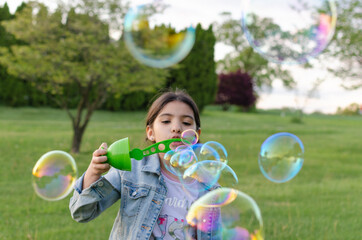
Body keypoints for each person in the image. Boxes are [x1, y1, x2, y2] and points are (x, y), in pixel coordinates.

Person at [69, 89, 216, 240]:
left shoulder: (208, 186)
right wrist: (93, 172)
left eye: (186, 123)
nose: (177, 128)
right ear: (150, 132)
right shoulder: (131, 169)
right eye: (166, 121)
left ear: (196, 135)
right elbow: (82, 212)